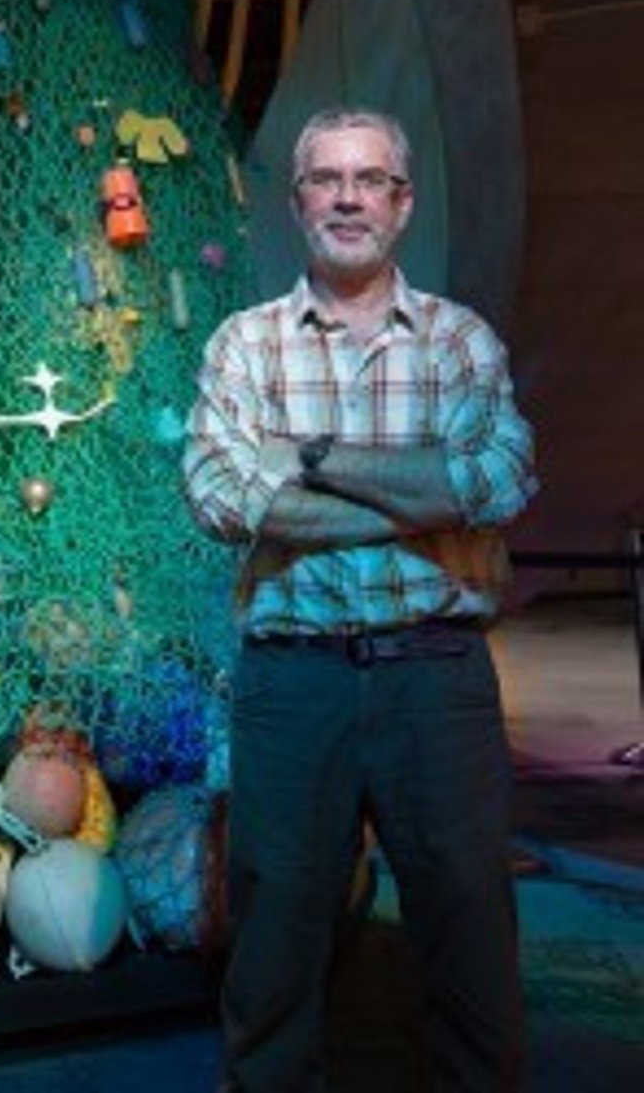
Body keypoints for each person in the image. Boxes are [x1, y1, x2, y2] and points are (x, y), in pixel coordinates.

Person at [184, 106, 537, 1092]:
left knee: (468, 920)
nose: (346, 195)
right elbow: (222, 496)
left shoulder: (458, 342)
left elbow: (497, 483)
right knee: (275, 932)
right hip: (292, 682)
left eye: (368, 177)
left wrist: (307, 461)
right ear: (296, 200)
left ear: (401, 199)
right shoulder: (242, 346)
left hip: (435, 674)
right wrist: (419, 497)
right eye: (325, 177)